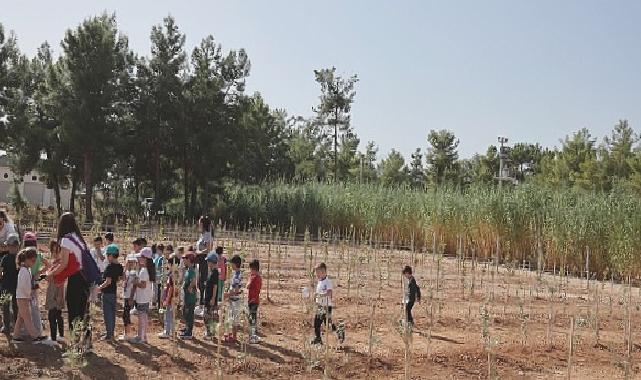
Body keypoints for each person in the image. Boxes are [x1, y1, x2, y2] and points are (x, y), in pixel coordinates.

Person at [48, 213, 90, 334]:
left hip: (75, 278)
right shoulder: (78, 238)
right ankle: (84, 343)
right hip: (85, 278)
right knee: (82, 312)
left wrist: (51, 274)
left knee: (73, 312)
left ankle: (74, 344)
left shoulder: (66, 240)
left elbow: (64, 264)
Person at [12, 248, 45, 343]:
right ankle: (35, 336)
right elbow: (24, 286)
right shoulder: (24, 271)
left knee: (21, 317)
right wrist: (29, 293)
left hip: (23, 297)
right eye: (33, 260)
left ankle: (15, 336)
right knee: (27, 318)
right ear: (26, 259)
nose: (34, 263)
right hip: (23, 297)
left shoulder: (26, 270)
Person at [312, 262, 345, 345]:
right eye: (316, 273)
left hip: (326, 307)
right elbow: (319, 293)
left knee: (328, 325)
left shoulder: (327, 282)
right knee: (317, 324)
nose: (317, 275)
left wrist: (320, 295)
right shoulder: (320, 282)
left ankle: (340, 332)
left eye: (318, 273)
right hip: (320, 306)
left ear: (324, 272)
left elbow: (329, 293)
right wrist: (316, 298)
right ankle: (318, 339)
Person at [23, 232, 45, 337]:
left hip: (26, 284)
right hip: (33, 284)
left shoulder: (23, 255)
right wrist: (39, 273)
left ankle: (31, 329)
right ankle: (37, 328)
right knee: (34, 307)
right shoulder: (38, 255)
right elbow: (48, 264)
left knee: (27, 307)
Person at [99, 244, 123, 341]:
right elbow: (119, 279)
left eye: (107, 255)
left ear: (111, 255)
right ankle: (110, 332)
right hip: (113, 292)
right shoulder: (120, 267)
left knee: (107, 314)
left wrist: (99, 288)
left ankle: (109, 335)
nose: (107, 257)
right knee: (112, 314)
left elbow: (108, 282)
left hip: (107, 293)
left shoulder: (110, 267)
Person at [130, 247, 154, 343]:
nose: (139, 259)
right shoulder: (146, 269)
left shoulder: (144, 270)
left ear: (144, 258)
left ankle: (141, 337)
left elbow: (143, 285)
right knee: (143, 317)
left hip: (142, 298)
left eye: (140, 257)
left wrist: (135, 282)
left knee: (141, 318)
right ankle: (142, 335)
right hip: (145, 297)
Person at [45, 240, 65, 343]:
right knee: (57, 314)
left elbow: (60, 280)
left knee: (52, 315)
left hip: (56, 291)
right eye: (53, 251)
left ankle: (54, 338)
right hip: (52, 290)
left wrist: (60, 295)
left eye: (57, 251)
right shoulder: (54, 263)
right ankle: (60, 335)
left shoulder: (61, 264)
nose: (55, 254)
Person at [0, 233, 20, 334]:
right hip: (17, 286)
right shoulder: (20, 258)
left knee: (6, 306)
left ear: (8, 246)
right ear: (18, 246)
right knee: (16, 306)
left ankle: (7, 326)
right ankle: (16, 326)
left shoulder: (5, 258)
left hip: (6, 286)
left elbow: (1, 271)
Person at [195, 216, 213, 317]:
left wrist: (198, 252)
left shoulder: (208, 235)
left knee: (204, 282)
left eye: (200, 223)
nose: (198, 225)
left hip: (205, 260)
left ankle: (205, 306)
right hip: (200, 260)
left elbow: (208, 249)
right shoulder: (202, 236)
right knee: (200, 282)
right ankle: (201, 303)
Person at [118, 254, 138, 341]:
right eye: (129, 262)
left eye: (132, 262)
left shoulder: (134, 273)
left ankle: (128, 334)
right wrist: (125, 268)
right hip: (126, 295)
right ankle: (127, 332)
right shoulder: (128, 272)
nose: (130, 264)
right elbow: (122, 278)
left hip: (130, 296)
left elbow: (134, 286)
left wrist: (131, 297)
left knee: (126, 315)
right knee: (125, 315)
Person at [224, 255, 242, 344]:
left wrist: (227, 294)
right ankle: (231, 335)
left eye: (232, 263)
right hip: (232, 300)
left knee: (234, 319)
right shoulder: (235, 274)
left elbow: (237, 290)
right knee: (230, 318)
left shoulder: (238, 275)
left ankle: (234, 337)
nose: (231, 265)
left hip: (235, 300)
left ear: (235, 264)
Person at [179, 251, 197, 340]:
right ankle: (186, 328)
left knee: (189, 313)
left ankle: (189, 332)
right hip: (187, 296)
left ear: (189, 260)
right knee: (185, 312)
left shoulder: (191, 270)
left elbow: (193, 280)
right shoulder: (188, 269)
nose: (183, 261)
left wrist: (190, 287)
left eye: (185, 259)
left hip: (190, 297)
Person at [203, 251, 219, 340]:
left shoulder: (215, 272)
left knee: (208, 316)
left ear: (212, 262)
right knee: (208, 315)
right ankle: (210, 332)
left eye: (208, 261)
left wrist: (213, 298)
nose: (207, 263)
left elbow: (215, 286)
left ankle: (210, 333)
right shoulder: (211, 271)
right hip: (208, 297)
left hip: (210, 298)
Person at [247, 259, 262, 344]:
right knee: (253, 317)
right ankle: (253, 335)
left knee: (252, 318)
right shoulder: (259, 278)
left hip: (252, 300)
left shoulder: (254, 278)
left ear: (253, 269)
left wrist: (249, 278)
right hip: (255, 300)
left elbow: (248, 286)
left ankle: (252, 336)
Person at [157, 273, 175, 339]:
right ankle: (172, 331)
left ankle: (167, 332)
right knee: (171, 316)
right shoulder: (176, 273)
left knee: (168, 315)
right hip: (173, 299)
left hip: (170, 300)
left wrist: (167, 300)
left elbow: (170, 288)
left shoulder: (171, 275)